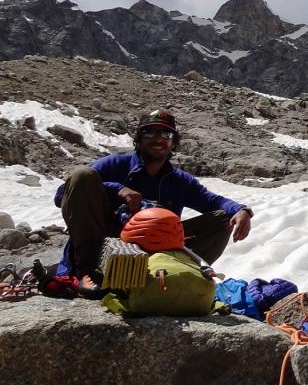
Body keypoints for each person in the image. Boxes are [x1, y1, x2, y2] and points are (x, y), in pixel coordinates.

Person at [54, 109, 254, 294]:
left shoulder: (179, 180)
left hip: (156, 250)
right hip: (105, 244)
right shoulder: (114, 164)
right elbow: (64, 193)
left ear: (173, 143)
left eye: (166, 134)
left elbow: (213, 201)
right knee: (83, 175)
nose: (158, 139)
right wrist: (118, 189)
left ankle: (176, 275)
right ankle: (87, 272)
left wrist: (242, 210)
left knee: (223, 218)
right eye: (149, 132)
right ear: (139, 139)